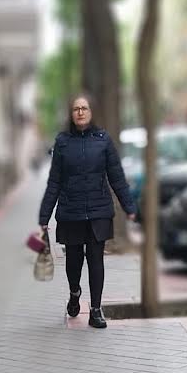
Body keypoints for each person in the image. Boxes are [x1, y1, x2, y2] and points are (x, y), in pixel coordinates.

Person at [38, 93, 137, 329]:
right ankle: (75, 293)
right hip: (71, 211)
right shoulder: (62, 142)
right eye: (76, 109)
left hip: (98, 210)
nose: (80, 112)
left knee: (95, 259)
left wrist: (129, 206)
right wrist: (44, 215)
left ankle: (95, 310)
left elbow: (116, 175)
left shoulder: (103, 140)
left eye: (84, 108)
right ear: (71, 114)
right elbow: (54, 181)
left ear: (91, 112)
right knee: (73, 262)